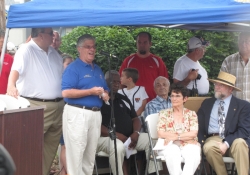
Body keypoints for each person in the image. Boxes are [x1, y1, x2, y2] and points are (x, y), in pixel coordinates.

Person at [7, 28, 64, 175]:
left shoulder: (54, 54)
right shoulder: (25, 50)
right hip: (36, 105)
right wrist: (11, 85)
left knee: (50, 149)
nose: (54, 36)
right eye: (50, 33)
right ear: (40, 34)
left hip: (58, 106)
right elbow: (15, 70)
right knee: (29, 146)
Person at [61, 34, 109, 175]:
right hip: (77, 113)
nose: (92, 49)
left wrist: (105, 94)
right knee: (76, 153)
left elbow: (105, 89)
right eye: (88, 46)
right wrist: (90, 92)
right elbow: (66, 93)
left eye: (94, 46)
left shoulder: (98, 69)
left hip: (95, 114)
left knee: (90, 154)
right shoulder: (73, 68)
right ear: (79, 49)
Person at [97, 70, 157, 175]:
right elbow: (96, 125)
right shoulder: (98, 100)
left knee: (151, 140)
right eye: (112, 81)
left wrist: (136, 133)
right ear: (104, 82)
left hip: (130, 138)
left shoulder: (123, 98)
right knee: (118, 147)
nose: (116, 84)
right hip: (109, 138)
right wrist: (116, 135)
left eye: (117, 81)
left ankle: (153, 172)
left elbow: (135, 118)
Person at [197, 71, 250, 175]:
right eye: (216, 84)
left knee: (240, 143)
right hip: (213, 138)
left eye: (221, 85)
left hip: (234, 138)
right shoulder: (207, 103)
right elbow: (199, 126)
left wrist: (226, 143)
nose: (216, 87)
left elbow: (244, 131)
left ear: (230, 89)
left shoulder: (243, 105)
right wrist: (198, 143)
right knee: (208, 147)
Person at [157, 83, 201, 175]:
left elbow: (193, 134)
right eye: (172, 96)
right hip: (168, 145)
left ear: (185, 99)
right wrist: (181, 137)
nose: (174, 99)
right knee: (172, 151)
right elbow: (161, 133)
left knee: (193, 153)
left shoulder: (191, 114)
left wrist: (174, 137)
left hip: (188, 144)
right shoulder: (163, 114)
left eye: (177, 96)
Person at [119, 32, 169, 101]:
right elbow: (121, 82)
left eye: (145, 42)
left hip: (153, 103)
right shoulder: (128, 61)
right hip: (132, 103)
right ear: (136, 43)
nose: (142, 45)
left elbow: (165, 83)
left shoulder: (157, 61)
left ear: (150, 44)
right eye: (139, 42)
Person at [220, 32, 250, 102]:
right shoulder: (228, 61)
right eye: (241, 41)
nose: (243, 44)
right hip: (234, 108)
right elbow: (221, 85)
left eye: (246, 41)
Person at [0, 29, 14, 94]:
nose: (1, 44)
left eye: (3, 42)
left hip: (5, 97)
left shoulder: (9, 59)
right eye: (0, 41)